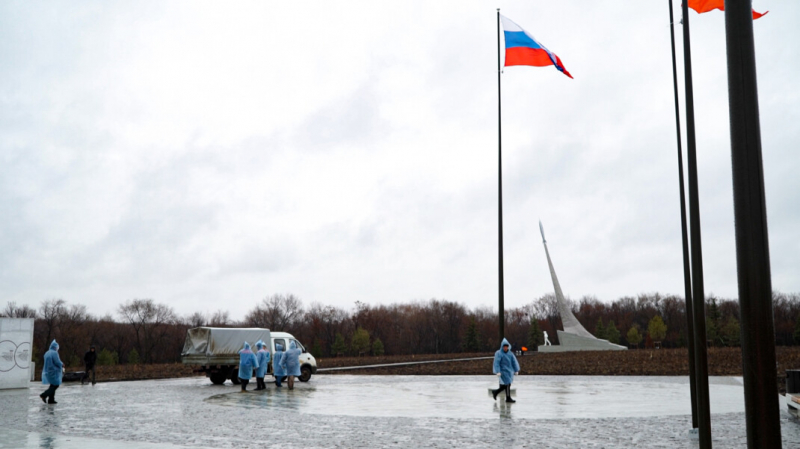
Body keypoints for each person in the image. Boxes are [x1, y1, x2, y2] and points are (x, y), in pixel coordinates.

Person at [491, 338, 520, 403]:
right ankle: (508, 398)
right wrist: (497, 371)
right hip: (503, 371)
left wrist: (516, 370)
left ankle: (496, 392)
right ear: (502, 346)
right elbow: (496, 362)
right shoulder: (499, 353)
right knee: (507, 384)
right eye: (504, 346)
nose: (505, 348)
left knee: (507, 384)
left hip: (509, 371)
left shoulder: (510, 354)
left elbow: (514, 362)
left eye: (506, 346)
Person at [40, 340, 64, 404]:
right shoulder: (54, 353)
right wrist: (62, 364)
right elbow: (57, 361)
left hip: (47, 371)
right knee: (56, 385)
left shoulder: (47, 353)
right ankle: (44, 395)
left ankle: (51, 399)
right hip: (54, 371)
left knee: (52, 385)